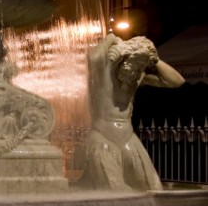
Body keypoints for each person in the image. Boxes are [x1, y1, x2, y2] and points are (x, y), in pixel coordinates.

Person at [79, 33, 185, 191]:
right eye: (135, 67)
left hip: (128, 138)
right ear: (125, 60)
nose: (137, 73)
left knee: (153, 187)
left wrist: (155, 61)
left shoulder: (138, 77)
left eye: (141, 68)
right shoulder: (104, 74)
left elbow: (177, 82)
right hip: (103, 138)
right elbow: (94, 58)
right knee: (115, 189)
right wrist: (111, 38)